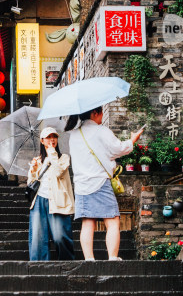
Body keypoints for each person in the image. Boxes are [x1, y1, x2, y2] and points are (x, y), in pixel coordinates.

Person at [65, 106, 143, 261]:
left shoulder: (74, 134)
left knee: (88, 222)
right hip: (100, 181)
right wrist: (133, 139)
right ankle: (113, 257)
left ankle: (89, 259)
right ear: (94, 113)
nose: (102, 116)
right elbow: (118, 149)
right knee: (113, 220)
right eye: (101, 113)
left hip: (81, 185)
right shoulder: (101, 131)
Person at [28, 126, 75, 261]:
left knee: (60, 236)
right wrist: (33, 170)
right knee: (38, 238)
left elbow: (59, 171)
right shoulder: (37, 160)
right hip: (39, 201)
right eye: (48, 137)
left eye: (54, 136)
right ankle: (39, 269)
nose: (51, 140)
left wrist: (52, 153)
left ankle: (67, 265)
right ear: (42, 141)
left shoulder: (63, 158)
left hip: (58, 200)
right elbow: (31, 183)